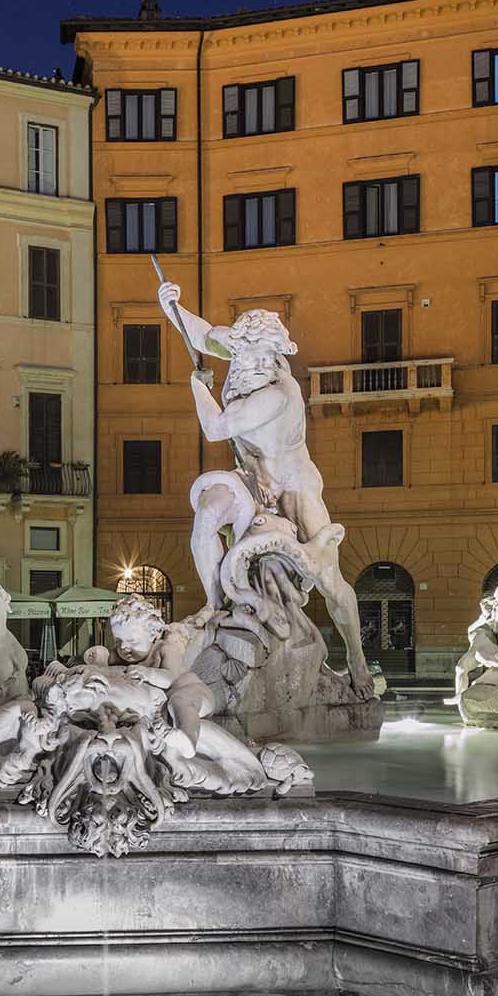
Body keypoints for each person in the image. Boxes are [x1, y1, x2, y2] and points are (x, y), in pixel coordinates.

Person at [157, 280, 371, 692]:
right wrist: (172, 308)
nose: (253, 363)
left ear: (275, 355)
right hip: (252, 482)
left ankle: (357, 661)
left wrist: (198, 385)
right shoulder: (241, 352)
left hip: (294, 487)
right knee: (207, 514)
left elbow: (215, 427)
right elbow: (204, 335)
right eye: (245, 354)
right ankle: (213, 604)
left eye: (263, 357)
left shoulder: (276, 394)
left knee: (329, 580)